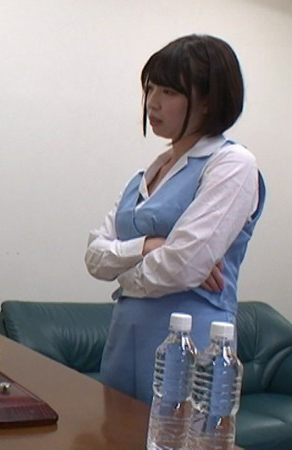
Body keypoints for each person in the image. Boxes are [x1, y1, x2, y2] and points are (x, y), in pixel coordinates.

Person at [84, 34, 264, 404]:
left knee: (178, 431)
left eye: (168, 91)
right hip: (124, 340)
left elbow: (182, 264)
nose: (152, 102)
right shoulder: (144, 175)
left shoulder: (232, 164)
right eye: (150, 88)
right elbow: (93, 257)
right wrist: (148, 246)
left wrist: (122, 273)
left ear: (209, 99)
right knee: (112, 431)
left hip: (191, 346)